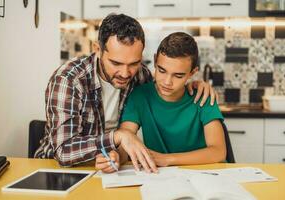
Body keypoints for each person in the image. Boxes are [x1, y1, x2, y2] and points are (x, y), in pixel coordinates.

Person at [35, 14, 217, 173]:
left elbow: (167, 86)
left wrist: (195, 84)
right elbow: (63, 152)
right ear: (97, 50)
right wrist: (118, 136)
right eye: (116, 63)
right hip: (57, 168)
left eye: (133, 63)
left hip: (112, 166)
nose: (125, 73)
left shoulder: (141, 75)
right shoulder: (69, 80)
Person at [96, 32, 226, 173]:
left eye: (178, 75)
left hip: (205, 175)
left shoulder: (203, 97)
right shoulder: (140, 96)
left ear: (192, 73)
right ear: (155, 61)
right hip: (162, 176)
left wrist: (167, 159)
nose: (167, 82)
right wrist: (116, 157)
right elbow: (127, 138)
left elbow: (218, 152)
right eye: (162, 70)